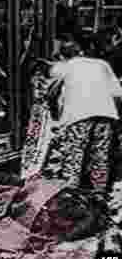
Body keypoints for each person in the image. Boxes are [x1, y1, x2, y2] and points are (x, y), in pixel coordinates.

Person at [40, 38, 122, 193]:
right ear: (81, 53)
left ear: (63, 57)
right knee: (100, 156)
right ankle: (99, 194)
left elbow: (49, 91)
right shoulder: (102, 64)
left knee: (74, 156)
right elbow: (118, 94)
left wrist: (55, 115)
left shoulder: (63, 67)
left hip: (78, 116)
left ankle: (72, 196)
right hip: (106, 115)